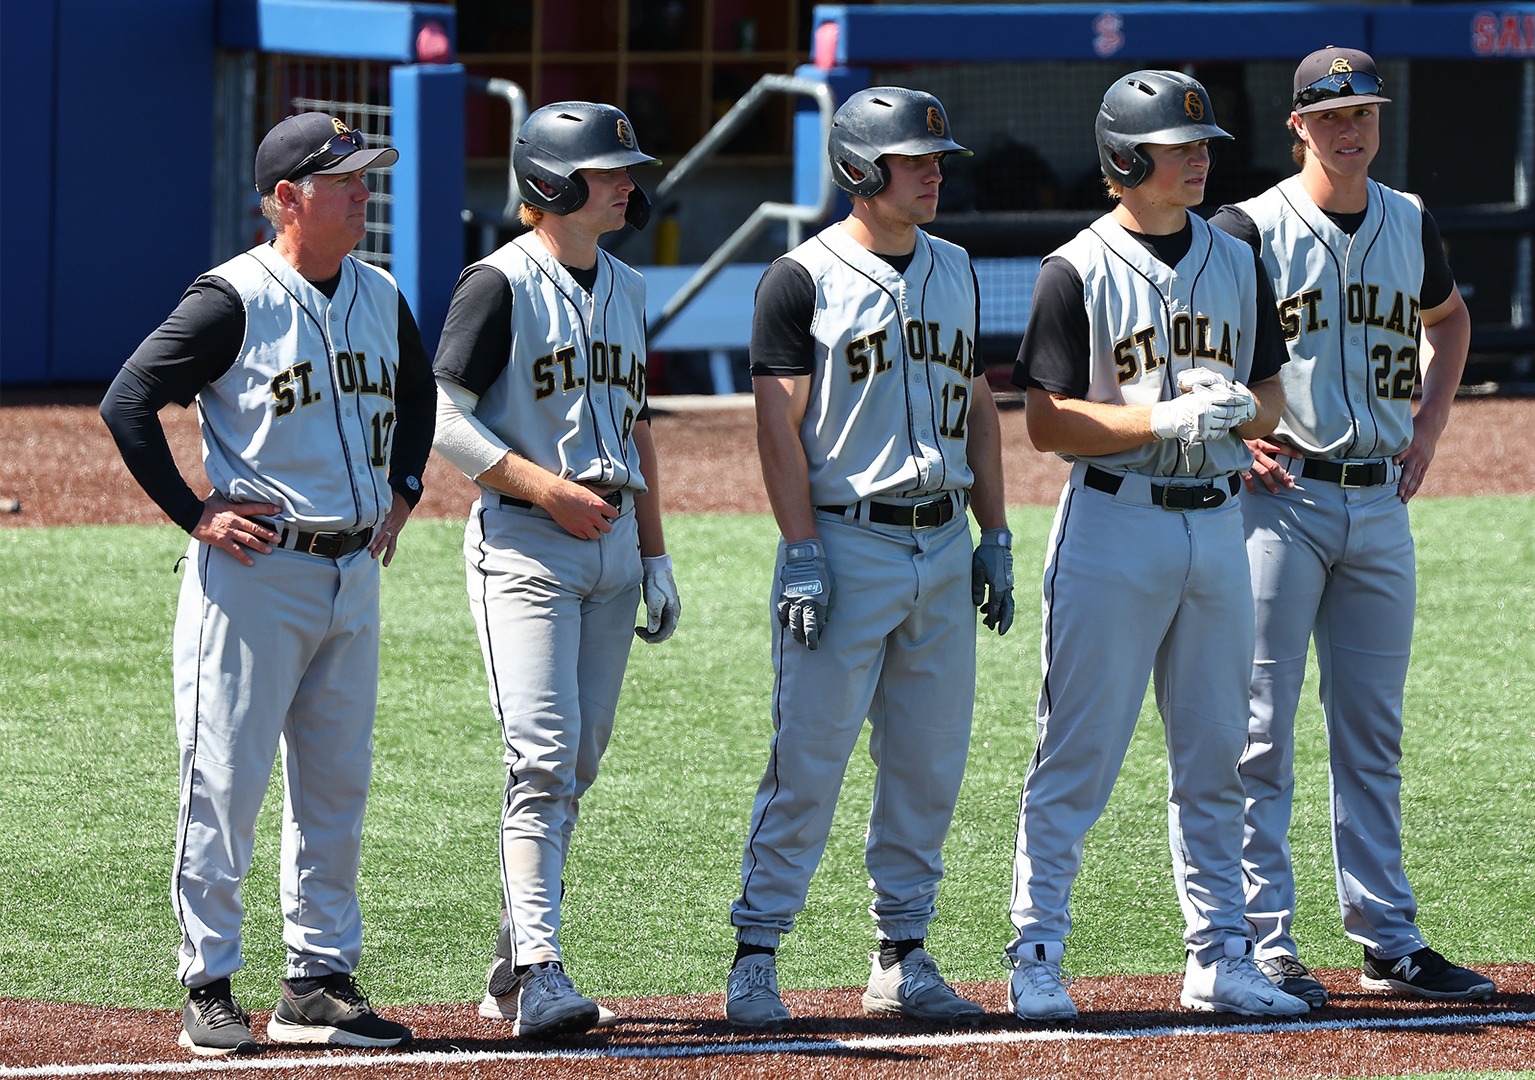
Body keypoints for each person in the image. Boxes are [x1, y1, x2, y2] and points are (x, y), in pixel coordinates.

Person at [99, 112, 426, 1056]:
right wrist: (195, 510)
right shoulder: (231, 299)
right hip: (253, 577)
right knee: (225, 783)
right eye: (346, 180)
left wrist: (402, 496)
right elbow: (127, 400)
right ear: (287, 199)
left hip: (353, 574)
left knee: (336, 788)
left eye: (368, 177)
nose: (365, 192)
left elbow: (418, 400)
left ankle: (319, 981)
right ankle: (207, 981)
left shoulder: (378, 293)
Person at [1003, 70, 1299, 1023]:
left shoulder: (1236, 258)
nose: (1204, 156)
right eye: (1184, 144)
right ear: (1128, 160)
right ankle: (1037, 950)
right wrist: (1165, 417)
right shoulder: (1073, 268)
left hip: (1216, 524)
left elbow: (1269, 397)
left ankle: (1220, 954)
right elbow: (1045, 423)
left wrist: (1235, 417)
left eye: (1205, 142)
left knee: (1216, 754)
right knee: (1076, 754)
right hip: (1112, 524)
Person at [1210, 45, 1493, 1007]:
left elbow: (1448, 322)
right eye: (1332, 116)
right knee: (1258, 731)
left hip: (1379, 500)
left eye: (1364, 112)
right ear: (1297, 125)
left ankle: (1387, 938)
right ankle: (1263, 938)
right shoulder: (1246, 227)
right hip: (1276, 503)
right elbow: (1187, 340)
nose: (1351, 130)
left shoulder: (1409, 218)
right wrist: (1227, 434)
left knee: (1371, 732)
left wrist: (1430, 428)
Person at [724, 86, 1008, 1030]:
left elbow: (977, 410)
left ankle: (902, 953)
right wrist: (801, 549)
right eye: (912, 158)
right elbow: (778, 429)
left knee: (928, 765)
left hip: (939, 541)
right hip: (844, 542)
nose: (932, 170)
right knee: (808, 760)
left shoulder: (959, 268)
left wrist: (995, 532)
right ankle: (757, 956)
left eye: (935, 157)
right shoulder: (799, 278)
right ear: (858, 170)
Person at [432, 101, 680, 1039]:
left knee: (573, 766)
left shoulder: (625, 283)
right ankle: (540, 971)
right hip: (527, 544)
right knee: (539, 760)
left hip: (613, 549)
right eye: (609, 169)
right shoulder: (496, 283)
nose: (626, 181)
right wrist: (544, 491)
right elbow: (442, 417)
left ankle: (511, 967)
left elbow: (638, 426)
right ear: (553, 184)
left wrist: (655, 555)